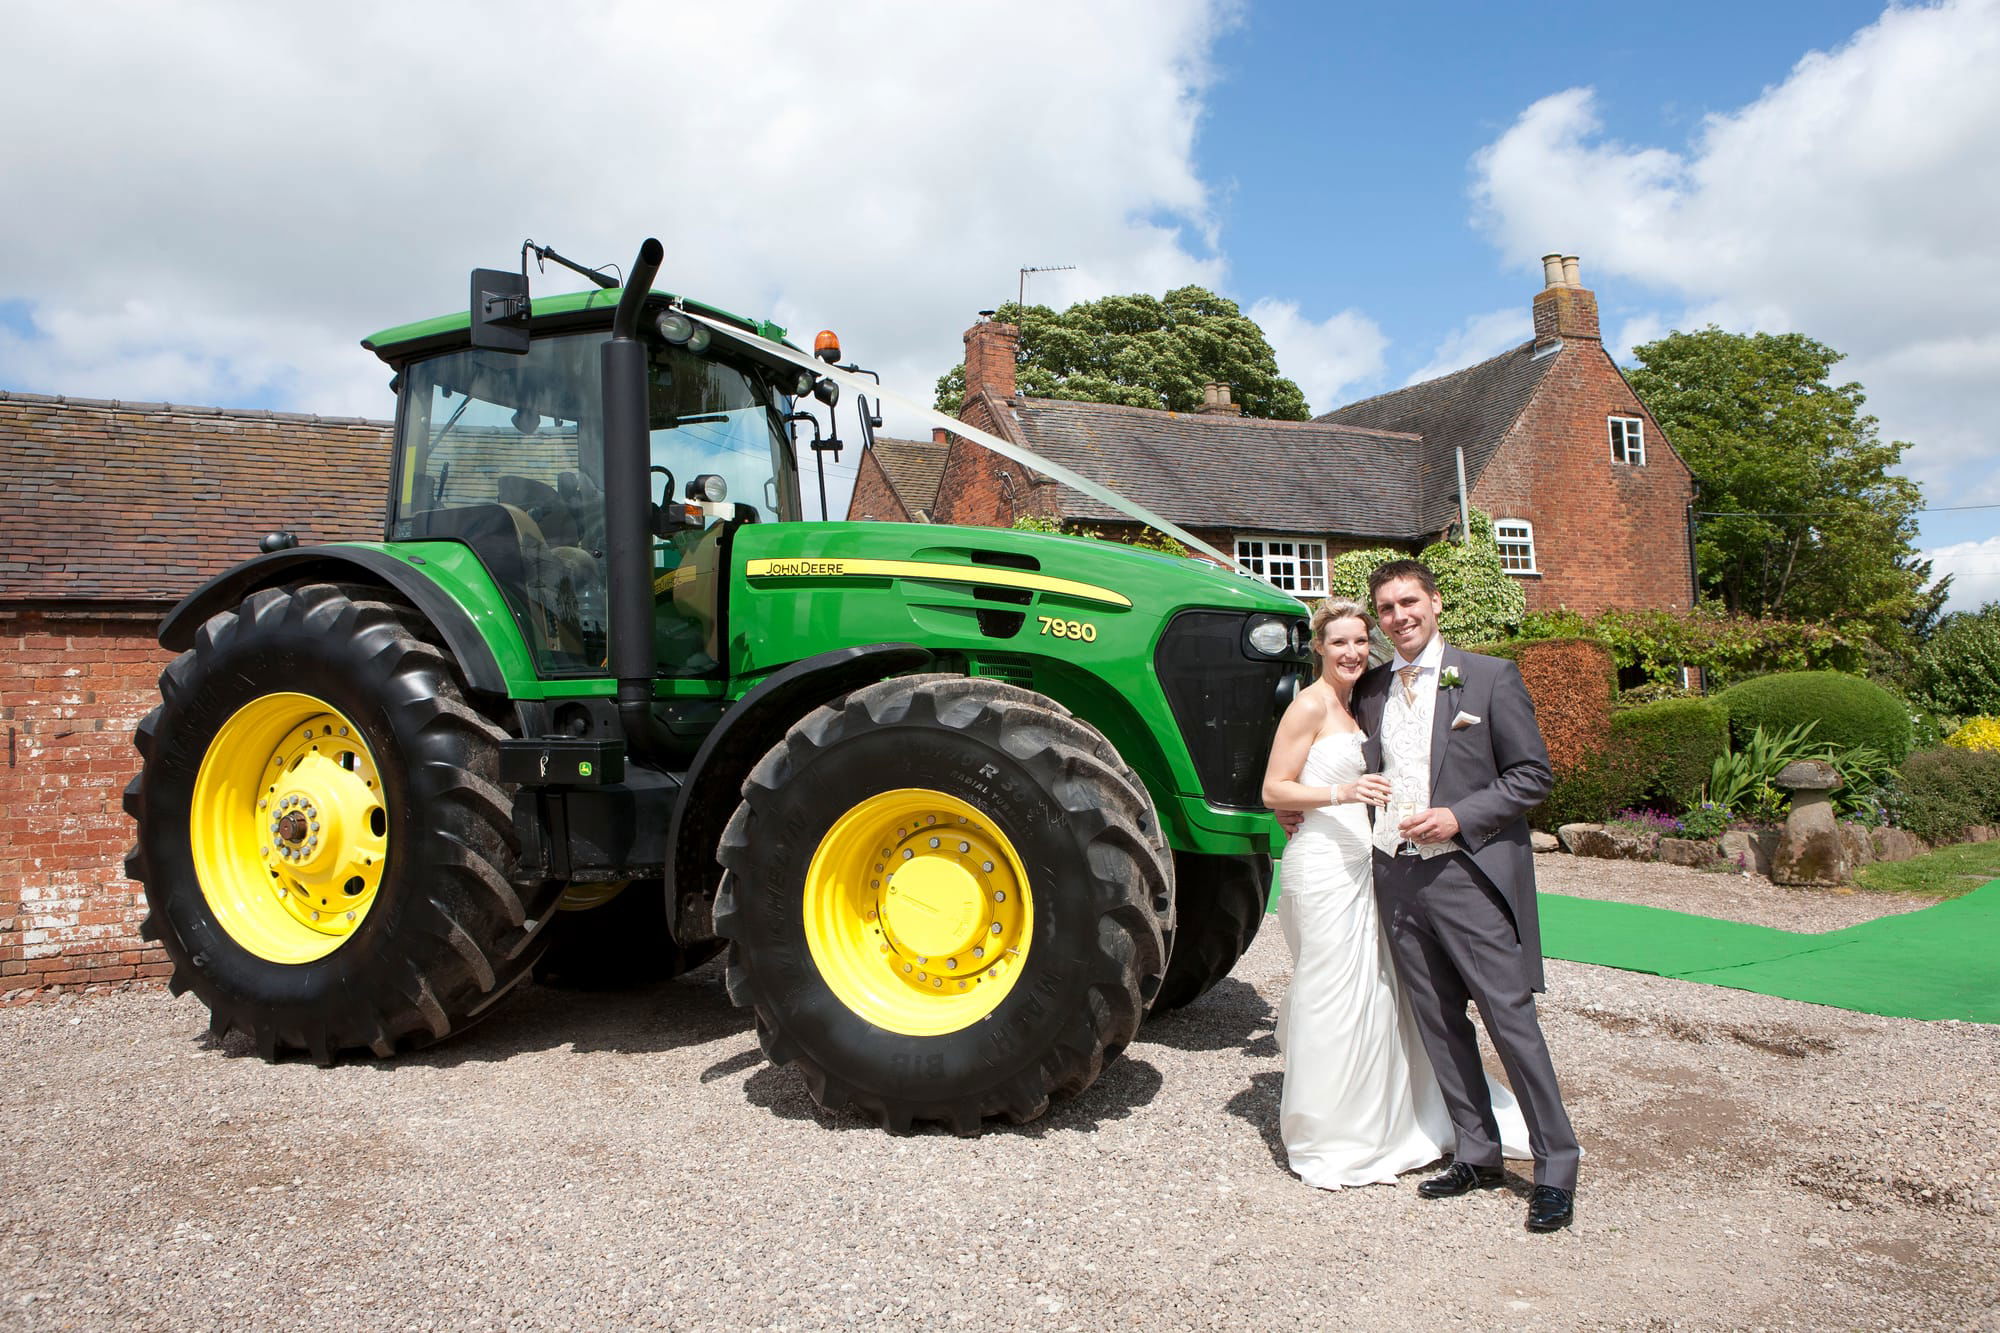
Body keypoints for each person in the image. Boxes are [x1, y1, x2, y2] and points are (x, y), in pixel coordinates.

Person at [1262, 598, 1530, 1192]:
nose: (1353, 652)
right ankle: (1329, 1130)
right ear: (1319, 648)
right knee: (1330, 989)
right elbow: (1272, 787)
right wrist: (1339, 795)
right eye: (1339, 643)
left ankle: (1387, 1115)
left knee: (1380, 991)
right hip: (1325, 864)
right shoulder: (1308, 704)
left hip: (1372, 863)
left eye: (1361, 641)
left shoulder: (1367, 699)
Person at [1355, 559, 1579, 1233]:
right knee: (1439, 1021)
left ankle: (1556, 1166)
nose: (1399, 616)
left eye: (1409, 601)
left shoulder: (1488, 676)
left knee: (1510, 1021)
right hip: (1397, 874)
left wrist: (1459, 817)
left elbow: (1532, 773)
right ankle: (1477, 1151)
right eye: (1387, 607)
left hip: (1466, 873)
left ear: (1436, 602)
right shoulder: (1369, 689)